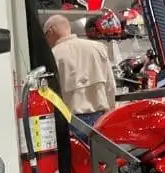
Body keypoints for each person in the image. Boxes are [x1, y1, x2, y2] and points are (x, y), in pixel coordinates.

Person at [43, 13, 117, 142]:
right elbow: (110, 85)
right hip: (100, 119)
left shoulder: (54, 56)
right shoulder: (97, 48)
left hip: (72, 123)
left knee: (77, 161)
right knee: (100, 160)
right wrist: (109, 112)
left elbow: (52, 95)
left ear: (51, 31)